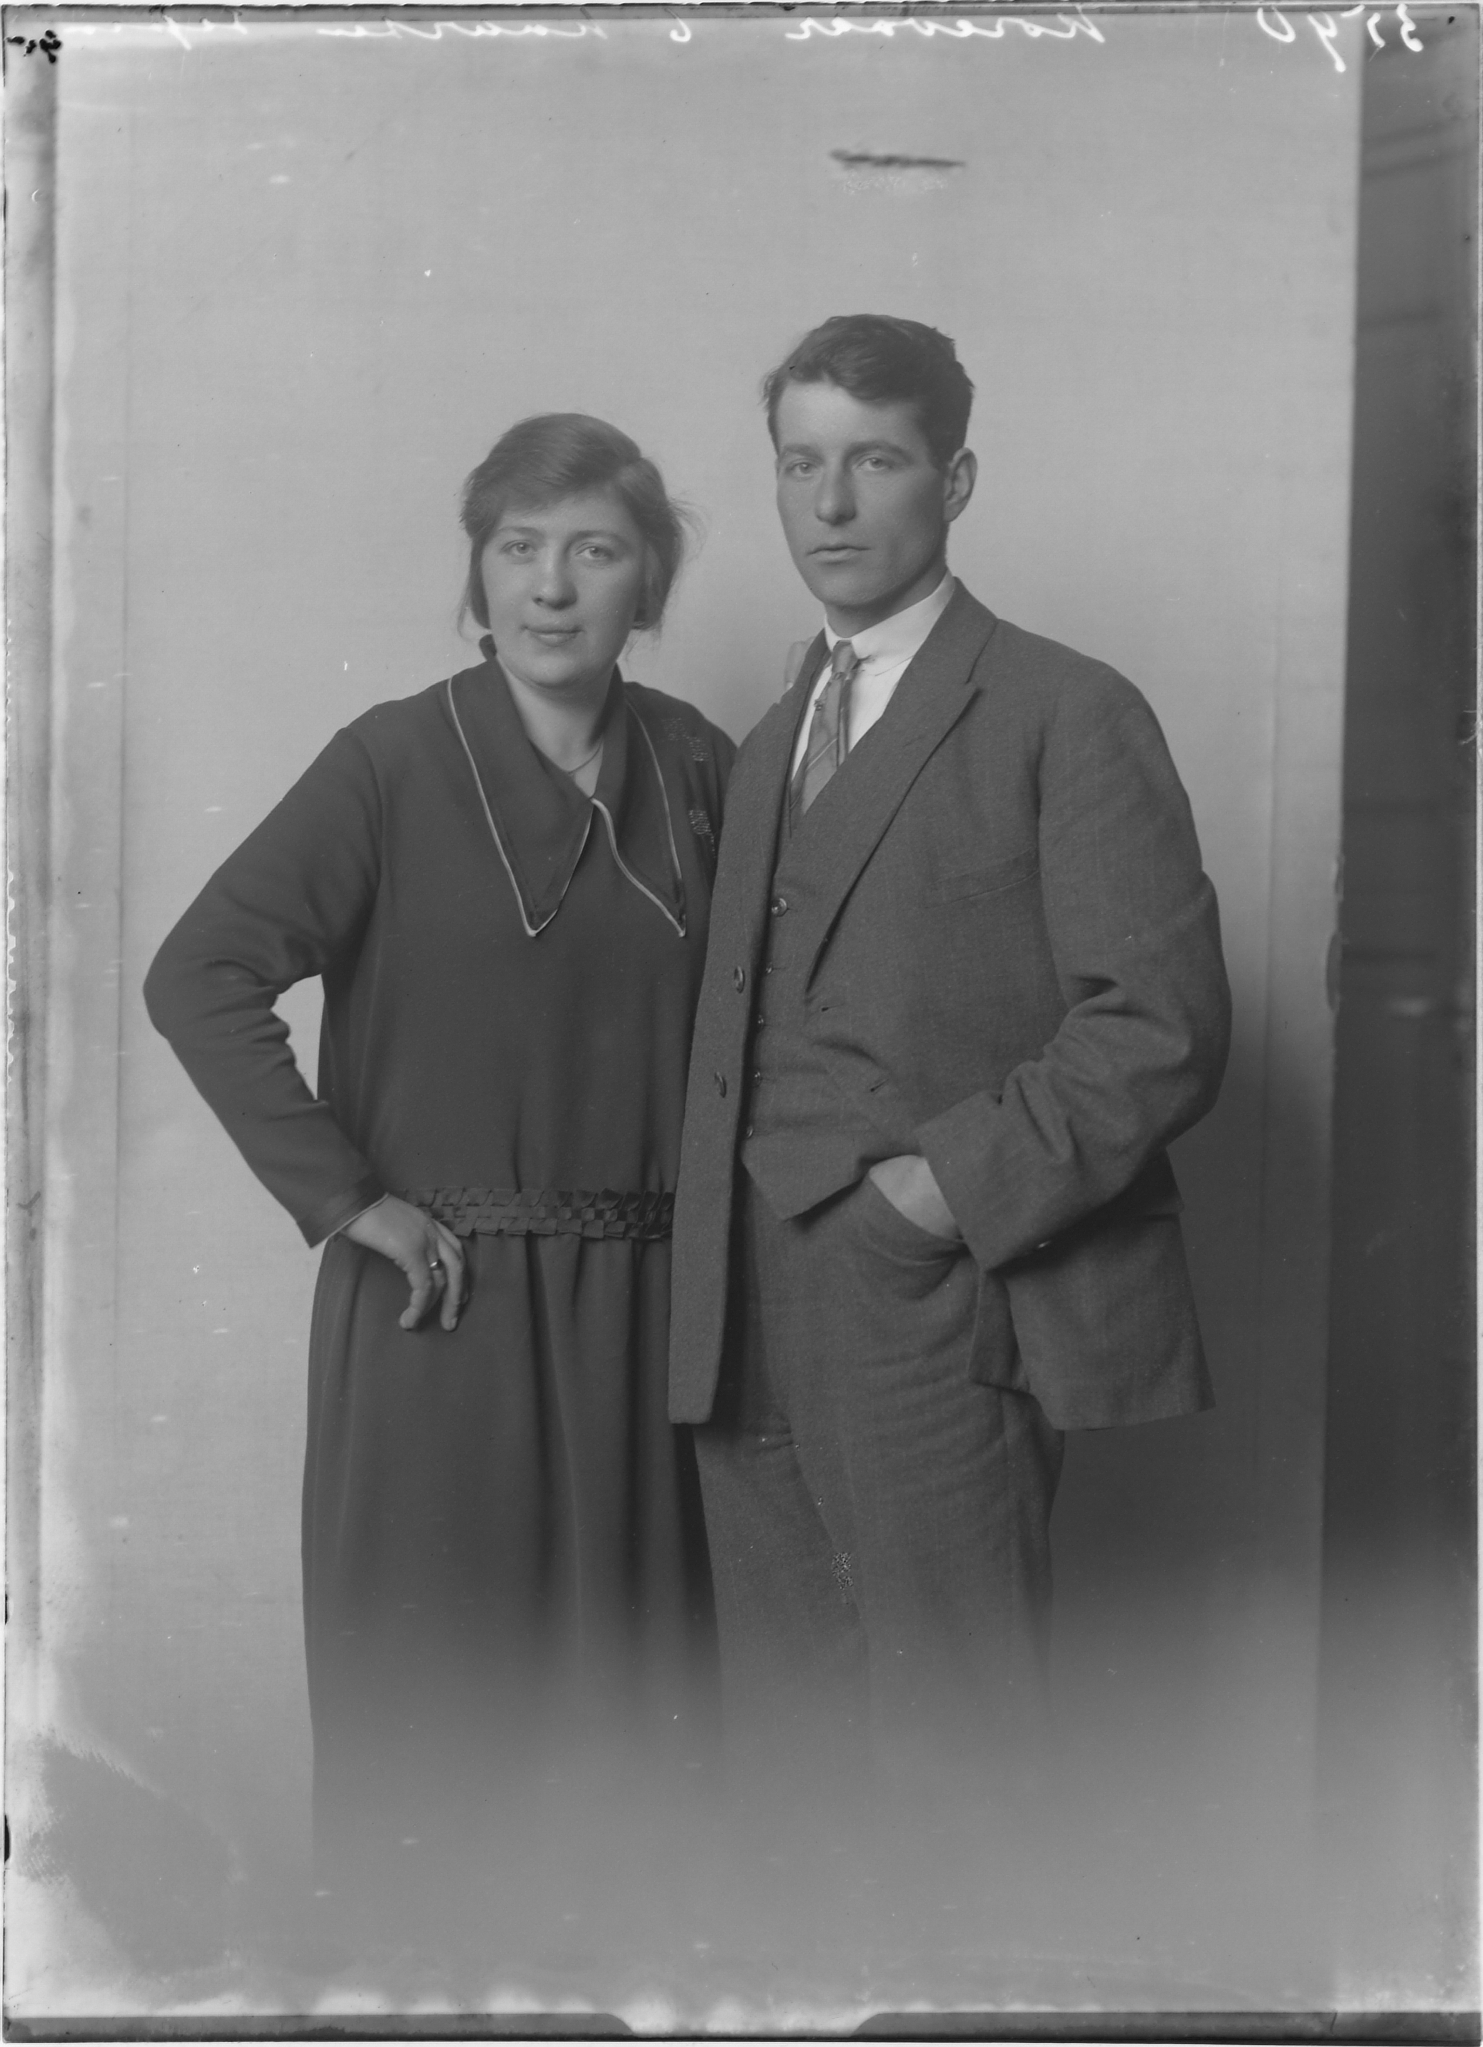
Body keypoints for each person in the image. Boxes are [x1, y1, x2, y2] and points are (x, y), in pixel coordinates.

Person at [144, 415, 734, 1928]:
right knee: (440, 1741)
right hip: (442, 1314)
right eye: (518, 548)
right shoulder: (392, 762)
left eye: (595, 550)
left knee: (640, 1760)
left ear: (651, 582)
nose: (552, 587)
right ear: (477, 574)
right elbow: (199, 974)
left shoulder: (700, 765)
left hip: (652, 1327)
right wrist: (350, 1200)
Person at [669, 315, 1231, 1815]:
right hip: (739, 1299)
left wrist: (933, 1197)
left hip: (934, 1288)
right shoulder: (770, 738)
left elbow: (1160, 1024)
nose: (831, 503)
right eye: (801, 464)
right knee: (791, 1756)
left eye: (875, 461)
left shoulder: (1067, 708)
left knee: (955, 1751)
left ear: (957, 480)